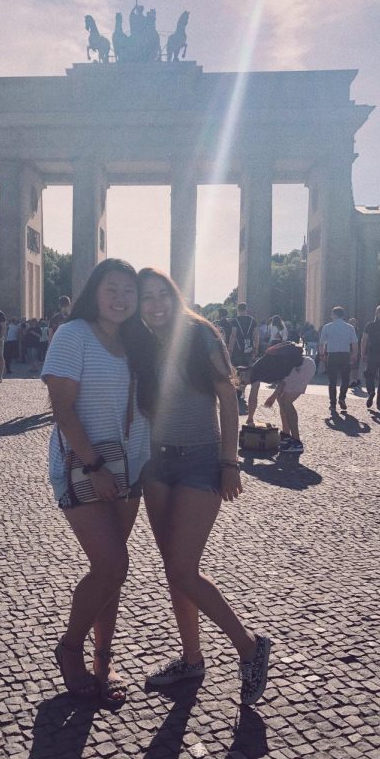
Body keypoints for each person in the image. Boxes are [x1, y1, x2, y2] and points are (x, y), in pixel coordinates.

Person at [138, 268, 270, 705]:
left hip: (199, 462)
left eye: (162, 295)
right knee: (174, 569)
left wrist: (229, 461)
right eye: (146, 298)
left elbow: (228, 399)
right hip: (157, 464)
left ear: (174, 296)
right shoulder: (140, 343)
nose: (155, 305)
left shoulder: (201, 335)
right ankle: (192, 659)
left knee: (182, 568)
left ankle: (249, 648)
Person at [41, 259, 152, 707]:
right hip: (86, 465)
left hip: (133, 465)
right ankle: (70, 650)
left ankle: (103, 663)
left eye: (129, 290)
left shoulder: (137, 341)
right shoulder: (74, 335)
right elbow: (62, 408)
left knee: (115, 571)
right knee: (110, 566)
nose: (121, 297)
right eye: (113, 287)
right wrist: (94, 466)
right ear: (95, 289)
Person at [263, 350, 317, 452]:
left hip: (303, 368)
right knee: (281, 399)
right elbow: (281, 382)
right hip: (301, 366)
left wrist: (272, 397)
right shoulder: (274, 361)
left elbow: (283, 382)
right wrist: (274, 396)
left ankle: (297, 442)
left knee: (287, 402)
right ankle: (286, 434)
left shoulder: (276, 363)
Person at [319, 307, 358, 412]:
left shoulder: (327, 327)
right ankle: (342, 398)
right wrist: (355, 354)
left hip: (332, 355)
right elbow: (354, 342)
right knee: (345, 379)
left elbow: (322, 342)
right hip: (345, 355)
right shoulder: (350, 327)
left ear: (334, 315)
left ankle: (332, 404)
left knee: (332, 380)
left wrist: (322, 354)